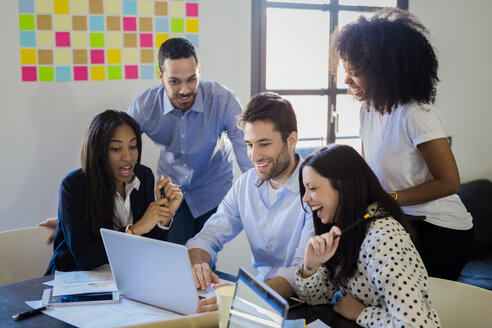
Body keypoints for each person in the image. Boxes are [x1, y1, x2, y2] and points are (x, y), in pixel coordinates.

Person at [332, 8, 473, 280]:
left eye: (355, 73)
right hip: (401, 223)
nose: (347, 81)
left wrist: (389, 200)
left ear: (383, 72)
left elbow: (449, 182)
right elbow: (370, 174)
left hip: (441, 231)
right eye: (346, 71)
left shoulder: (416, 115)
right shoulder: (368, 110)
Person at [187, 92, 314, 311]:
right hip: (258, 293)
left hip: (304, 303)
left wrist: (242, 298)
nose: (254, 156)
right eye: (249, 144)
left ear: (291, 140)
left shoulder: (314, 190)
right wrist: (198, 264)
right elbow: (208, 236)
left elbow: (299, 273)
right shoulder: (245, 185)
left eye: (264, 144)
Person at [295, 144, 440, 327]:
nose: (305, 198)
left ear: (343, 187)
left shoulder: (384, 240)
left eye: (312, 188)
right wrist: (311, 266)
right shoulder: (348, 228)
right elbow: (318, 299)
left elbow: (416, 325)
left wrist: (362, 313)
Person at [127, 38, 253, 245]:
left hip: (213, 191)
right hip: (171, 192)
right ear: (161, 77)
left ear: (199, 72)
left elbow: (249, 155)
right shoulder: (146, 105)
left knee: (203, 258)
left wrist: (265, 204)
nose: (185, 90)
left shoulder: (224, 100)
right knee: (173, 254)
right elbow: (116, 149)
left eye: (191, 79)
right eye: (174, 81)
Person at [45, 110, 183, 274]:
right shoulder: (73, 186)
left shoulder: (144, 176)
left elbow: (149, 245)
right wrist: (134, 229)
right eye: (116, 149)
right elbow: (84, 259)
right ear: (99, 151)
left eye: (133, 147)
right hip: (75, 281)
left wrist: (164, 217)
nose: (128, 157)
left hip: (123, 276)